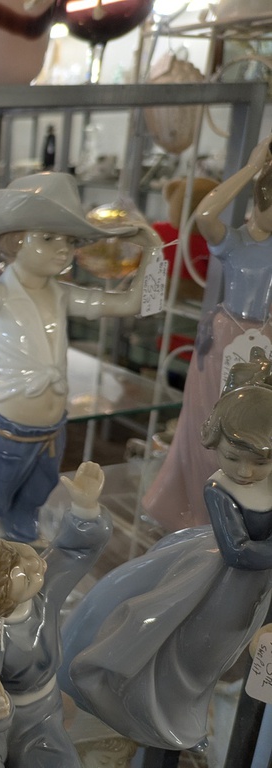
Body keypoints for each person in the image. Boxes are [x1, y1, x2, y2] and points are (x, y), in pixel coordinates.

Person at [60, 362, 272, 751]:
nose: (245, 471)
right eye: (232, 457)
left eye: (260, 462)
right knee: (199, 652)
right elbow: (237, 551)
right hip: (223, 581)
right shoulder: (220, 489)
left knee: (228, 655)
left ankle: (190, 716)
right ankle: (172, 718)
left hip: (259, 584)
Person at [0, 172, 155, 542]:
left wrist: (152, 252)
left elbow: (130, 303)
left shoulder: (62, 294)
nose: (63, 249)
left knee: (32, 503)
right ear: (14, 241)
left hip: (52, 431)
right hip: (8, 429)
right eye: (47, 238)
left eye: (69, 240)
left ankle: (21, 559)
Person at [0, 462, 113, 767]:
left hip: (44, 716)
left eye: (20, 553)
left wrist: (84, 509)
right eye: (26, 579)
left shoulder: (43, 591)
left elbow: (70, 553)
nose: (36, 565)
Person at [143, 134, 272, 531]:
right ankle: (203, 514)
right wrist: (251, 169)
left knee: (256, 431)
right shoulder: (234, 242)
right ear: (260, 201)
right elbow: (204, 215)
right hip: (226, 337)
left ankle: (243, 517)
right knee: (211, 425)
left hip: (265, 344)